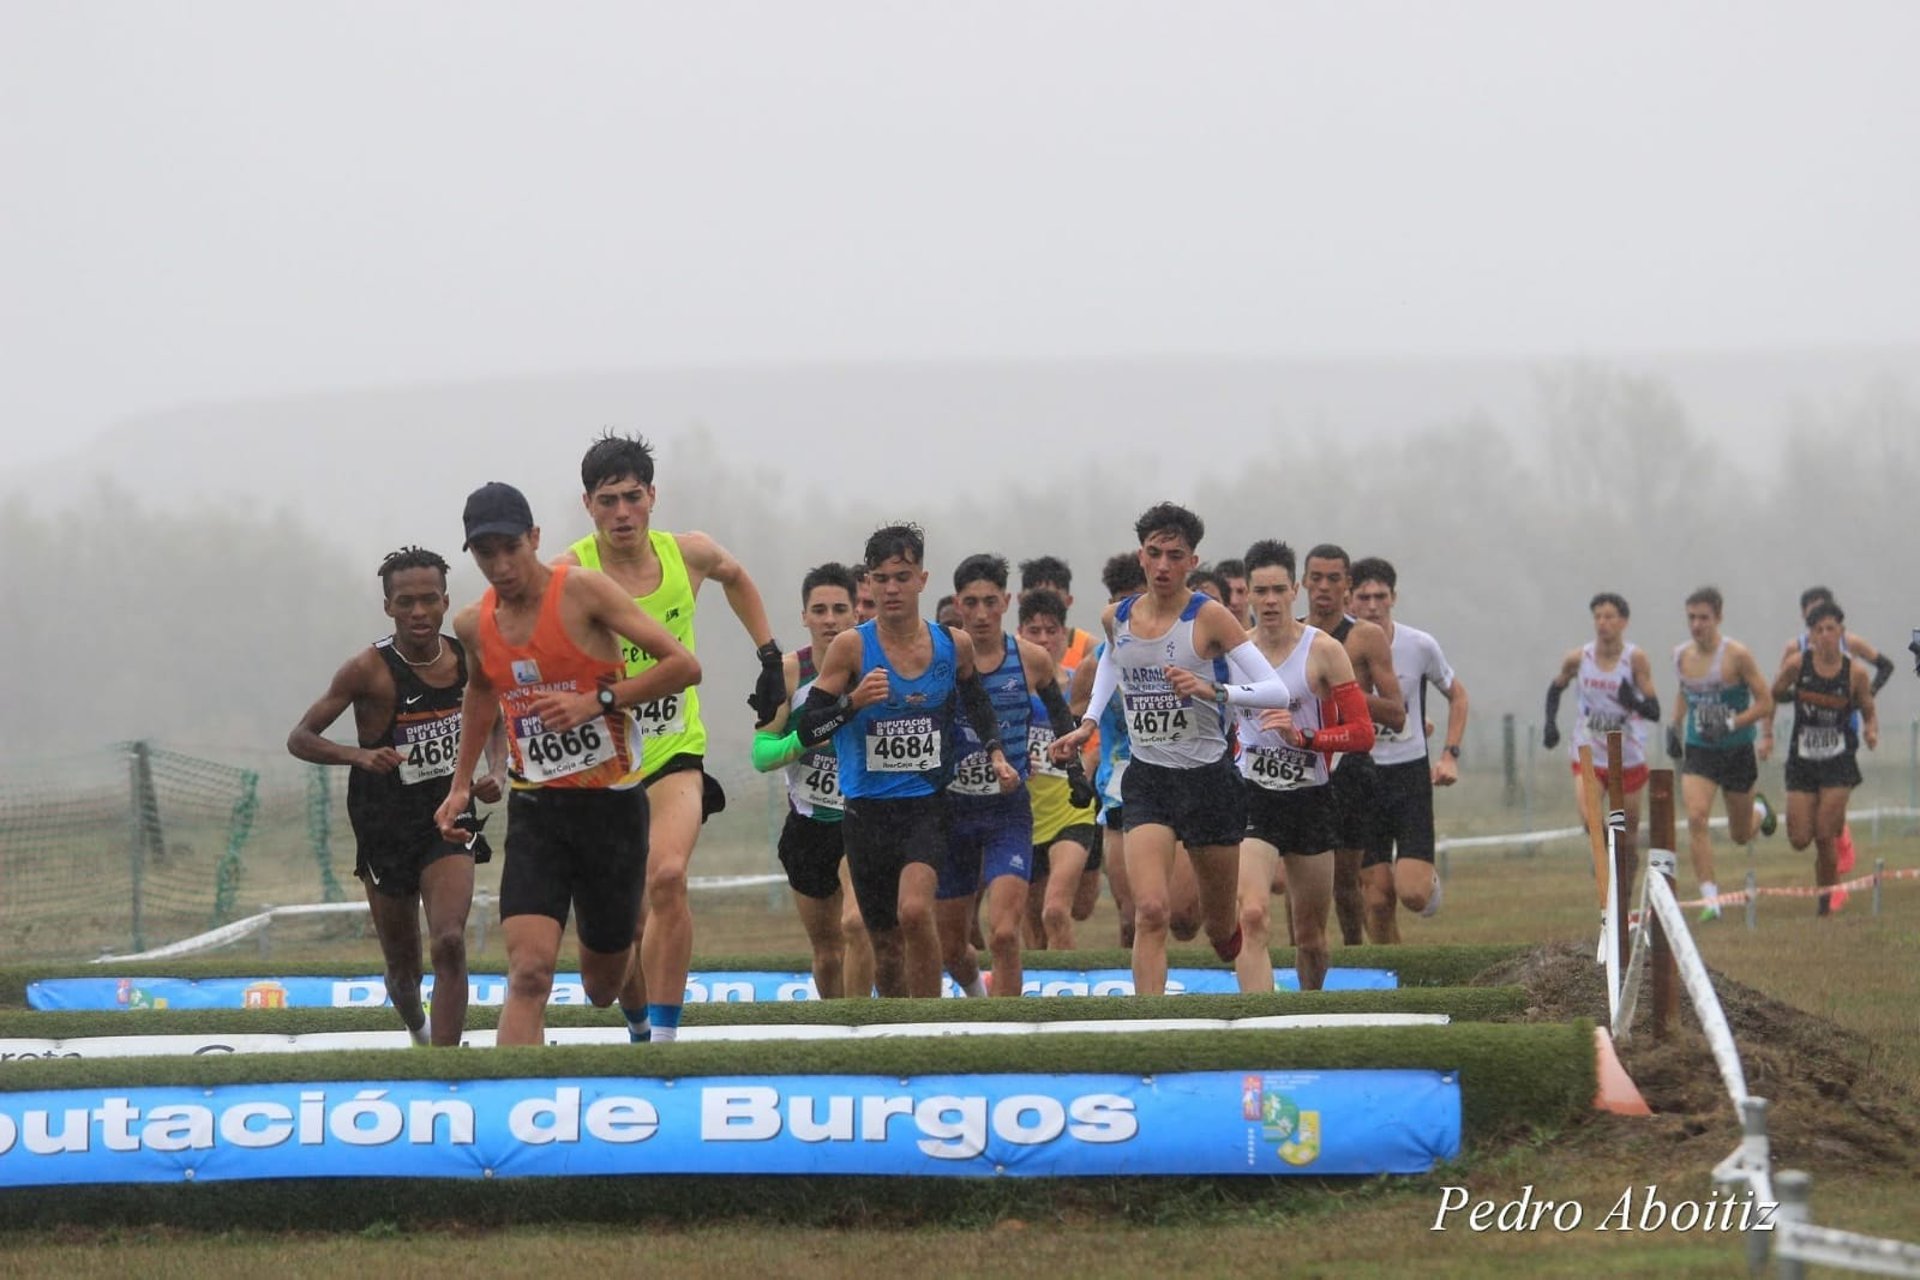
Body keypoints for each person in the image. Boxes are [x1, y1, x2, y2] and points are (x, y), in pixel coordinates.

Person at [433, 482, 700, 1046]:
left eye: (511, 547)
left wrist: (596, 702)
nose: (501, 565)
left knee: (601, 984)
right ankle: (512, 1120)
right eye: (486, 554)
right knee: (528, 973)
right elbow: (481, 691)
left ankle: (638, 1017)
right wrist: (459, 785)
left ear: (534, 538)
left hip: (613, 811)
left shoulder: (582, 592)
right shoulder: (472, 623)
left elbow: (682, 666)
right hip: (538, 811)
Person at [559, 432, 784, 1045]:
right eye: (608, 502)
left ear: (653, 496)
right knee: (618, 936)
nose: (622, 513)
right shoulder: (571, 572)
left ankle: (665, 1040)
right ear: (588, 505)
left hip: (674, 750)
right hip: (603, 765)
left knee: (667, 878)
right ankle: (635, 1026)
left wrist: (767, 655)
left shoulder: (689, 554)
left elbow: (736, 577)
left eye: (633, 497)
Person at [1052, 503, 1295, 996]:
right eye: (1154, 553)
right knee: (1152, 911)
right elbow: (1114, 664)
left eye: (1175, 556)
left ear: (1192, 562)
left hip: (1209, 782)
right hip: (1149, 780)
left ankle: (1246, 980)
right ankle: (1152, 1032)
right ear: (1141, 556)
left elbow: (1276, 692)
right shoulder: (1115, 618)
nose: (1163, 565)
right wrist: (1089, 722)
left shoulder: (1211, 619)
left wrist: (1214, 692)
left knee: (1221, 927)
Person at [288, 547, 507, 1047]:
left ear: (446, 601)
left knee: (449, 941)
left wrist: (496, 769)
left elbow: (494, 718)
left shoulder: (468, 659)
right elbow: (300, 737)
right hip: (383, 825)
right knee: (404, 973)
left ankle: (445, 1071)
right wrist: (358, 755)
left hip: (448, 818)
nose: (418, 613)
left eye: (429, 600)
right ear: (388, 606)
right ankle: (419, 1030)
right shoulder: (367, 670)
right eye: (406, 602)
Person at [793, 524, 1016, 998]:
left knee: (916, 912)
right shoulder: (851, 647)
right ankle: (895, 1033)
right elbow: (808, 728)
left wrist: (996, 753)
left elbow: (977, 702)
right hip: (865, 811)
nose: (891, 588)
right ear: (867, 586)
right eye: (881, 578)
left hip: (926, 805)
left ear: (922, 579)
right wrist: (852, 704)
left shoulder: (952, 645)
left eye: (902, 576)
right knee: (887, 944)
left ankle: (930, 1028)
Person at [937, 555, 1081, 998]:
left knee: (1003, 933)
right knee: (952, 948)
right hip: (952, 812)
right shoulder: (938, 658)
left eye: (990, 602)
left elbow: (1062, 721)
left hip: (1008, 812)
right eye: (971, 603)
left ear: (1006, 601)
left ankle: (1008, 1033)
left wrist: (1074, 771)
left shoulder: (1031, 660)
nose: (981, 614)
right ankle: (979, 999)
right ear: (958, 604)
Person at [1234, 541, 1373, 992]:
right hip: (1254, 798)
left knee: (1310, 937)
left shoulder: (1324, 650)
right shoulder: (1234, 653)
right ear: (1249, 595)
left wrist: (1306, 738)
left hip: (1312, 799)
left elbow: (1362, 733)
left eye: (1278, 589)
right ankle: (1263, 1025)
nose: (1270, 600)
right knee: (1252, 916)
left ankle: (1309, 1010)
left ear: (1294, 589)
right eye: (1261, 591)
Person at [751, 563, 862, 997]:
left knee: (859, 927)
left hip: (863, 821)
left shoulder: (872, 664)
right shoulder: (789, 671)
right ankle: (836, 1030)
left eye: (839, 609)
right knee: (829, 952)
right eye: (820, 610)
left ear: (856, 613)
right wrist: (804, 739)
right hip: (809, 827)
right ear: (804, 616)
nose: (830, 619)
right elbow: (761, 754)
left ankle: (866, 1026)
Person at [1349, 557, 1469, 941]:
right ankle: (1392, 983)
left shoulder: (1419, 645)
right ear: (1349, 600)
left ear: (1393, 598)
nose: (1371, 605)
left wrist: (1450, 754)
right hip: (1361, 774)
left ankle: (1425, 884)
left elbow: (1458, 696)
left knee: (1411, 894)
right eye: (1363, 596)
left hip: (1408, 774)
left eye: (1380, 596)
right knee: (1377, 898)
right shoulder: (1336, 645)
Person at [1298, 544, 1406, 946]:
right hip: (1301, 762)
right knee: (1301, 880)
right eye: (1316, 578)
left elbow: (1396, 713)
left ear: (1348, 585)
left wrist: (1343, 692)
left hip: (1350, 767)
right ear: (1303, 582)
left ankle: (1353, 956)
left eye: (1333, 578)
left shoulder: (1364, 637)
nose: (1323, 587)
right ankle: (1304, 969)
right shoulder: (1289, 635)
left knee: (1345, 883)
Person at [1541, 592, 1661, 920]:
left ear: (1623, 622)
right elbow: (1556, 688)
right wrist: (1549, 724)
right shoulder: (1579, 658)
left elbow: (1654, 710)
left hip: (1629, 756)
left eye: (1609, 617)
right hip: (1589, 752)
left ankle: (1624, 902)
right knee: (1592, 821)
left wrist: (1631, 699)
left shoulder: (1635, 660)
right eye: (1598, 616)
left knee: (1629, 836)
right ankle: (1606, 859)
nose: (1603, 623)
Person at [1668, 586, 1777, 921]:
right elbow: (1686, 691)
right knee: (1696, 817)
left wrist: (1732, 723)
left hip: (1736, 751)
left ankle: (1759, 809)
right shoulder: (1682, 656)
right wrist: (1674, 725)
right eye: (1691, 618)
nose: (1696, 625)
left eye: (1703, 618)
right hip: (1700, 750)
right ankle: (1710, 900)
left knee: (1740, 834)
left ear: (1718, 617)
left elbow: (1766, 702)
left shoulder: (1736, 656)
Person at [1777, 587, 1896, 886]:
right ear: (1809, 627)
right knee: (1801, 836)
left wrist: (1869, 723)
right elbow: (1775, 693)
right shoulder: (1795, 657)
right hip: (1804, 751)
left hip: (1842, 745)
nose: (1826, 633)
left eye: (1832, 627)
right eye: (1818, 627)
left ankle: (1826, 895)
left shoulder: (1854, 662)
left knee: (1824, 832)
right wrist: (1800, 703)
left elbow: (1875, 689)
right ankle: (1829, 817)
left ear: (1841, 629)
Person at [1017, 587, 1102, 950]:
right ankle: (1036, 997)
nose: (1043, 639)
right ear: (1020, 634)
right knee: (1032, 929)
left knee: (1056, 911)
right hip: (1023, 817)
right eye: (1033, 630)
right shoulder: (1008, 692)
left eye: (1051, 630)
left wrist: (1083, 764)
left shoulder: (1078, 684)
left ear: (1063, 635)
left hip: (1072, 813)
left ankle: (1068, 1002)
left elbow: (1097, 742)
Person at [1018, 556, 1097, 673]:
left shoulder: (1088, 647)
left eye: (1053, 596)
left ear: (1068, 601)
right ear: (1021, 599)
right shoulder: (1007, 649)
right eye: (1037, 596)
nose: (1045, 602)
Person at [1213, 557, 1251, 627]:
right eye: (1226, 592)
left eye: (1241, 592)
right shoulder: (1200, 635)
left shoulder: (1270, 634)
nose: (1234, 601)